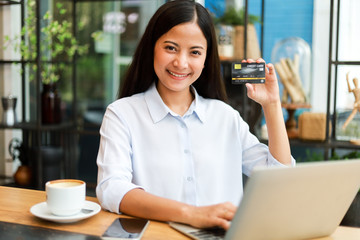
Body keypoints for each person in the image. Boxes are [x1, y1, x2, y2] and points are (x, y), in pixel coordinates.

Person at [96, 0, 295, 230]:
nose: (181, 63)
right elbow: (112, 188)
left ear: (205, 59)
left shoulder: (225, 117)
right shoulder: (122, 114)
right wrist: (191, 214)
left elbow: (279, 178)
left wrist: (272, 104)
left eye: (195, 52)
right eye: (170, 47)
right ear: (152, 46)